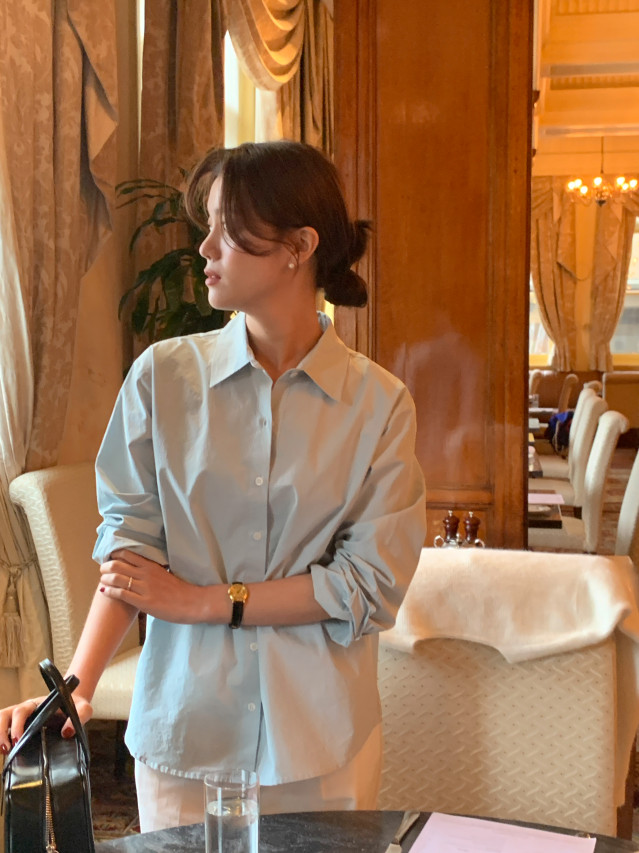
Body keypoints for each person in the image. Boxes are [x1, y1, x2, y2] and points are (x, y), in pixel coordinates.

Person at [0, 140, 426, 831]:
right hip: (185, 732)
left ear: (298, 246)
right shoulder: (161, 378)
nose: (204, 247)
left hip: (321, 741)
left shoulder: (378, 405)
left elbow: (369, 586)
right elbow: (132, 555)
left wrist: (206, 602)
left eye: (227, 227)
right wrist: (74, 689)